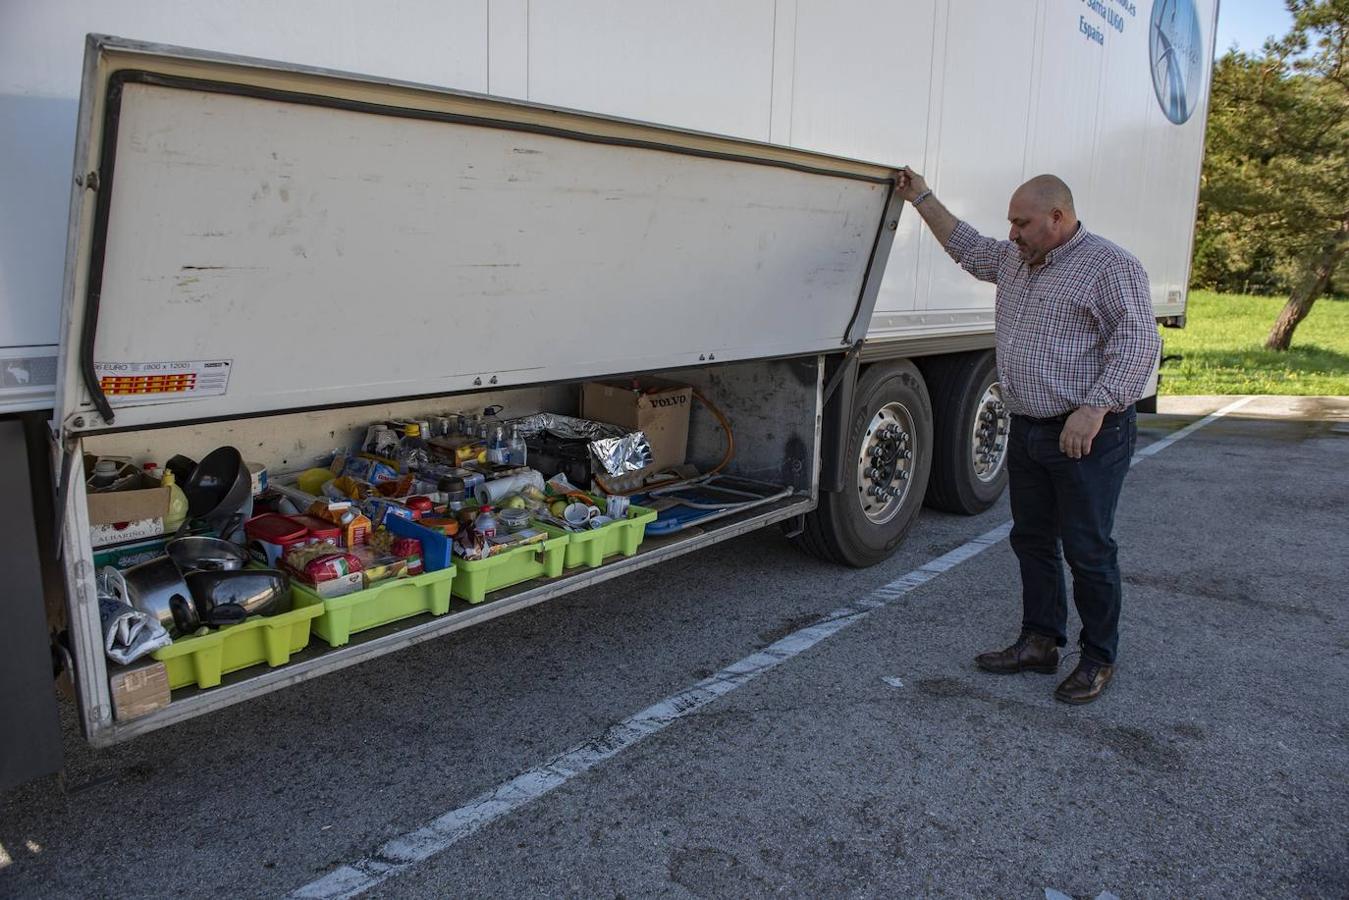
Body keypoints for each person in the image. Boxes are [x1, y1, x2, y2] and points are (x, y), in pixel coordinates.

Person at [896, 167, 1160, 704]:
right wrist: (921, 197)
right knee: (1033, 540)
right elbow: (967, 246)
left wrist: (1095, 408)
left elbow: (1138, 342)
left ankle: (1097, 658)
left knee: (1088, 549)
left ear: (1057, 218)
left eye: (1022, 223)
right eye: (1011, 223)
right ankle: (1040, 642)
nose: (1012, 233)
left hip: (1087, 434)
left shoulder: (1110, 266)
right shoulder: (1017, 260)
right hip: (1029, 429)